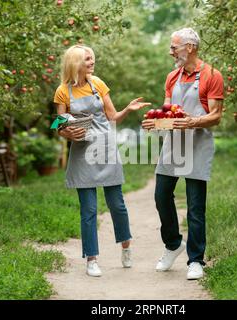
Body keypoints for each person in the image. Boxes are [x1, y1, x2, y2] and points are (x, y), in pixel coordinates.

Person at [54, 45, 150, 277]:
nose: (91, 62)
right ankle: (91, 259)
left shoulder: (98, 84)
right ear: (75, 63)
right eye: (87, 59)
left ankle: (126, 245)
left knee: (117, 204)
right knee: (89, 209)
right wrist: (68, 133)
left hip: (106, 148)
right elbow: (58, 125)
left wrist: (128, 108)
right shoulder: (63, 91)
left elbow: (112, 117)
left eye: (92, 59)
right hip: (82, 152)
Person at [142, 28, 224, 280]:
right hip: (173, 145)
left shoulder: (212, 75)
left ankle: (196, 260)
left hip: (198, 145)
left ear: (190, 47)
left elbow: (216, 116)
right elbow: (170, 113)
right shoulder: (171, 77)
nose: (170, 51)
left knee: (195, 206)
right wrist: (155, 123)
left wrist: (193, 122)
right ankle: (173, 244)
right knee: (160, 196)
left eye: (174, 47)